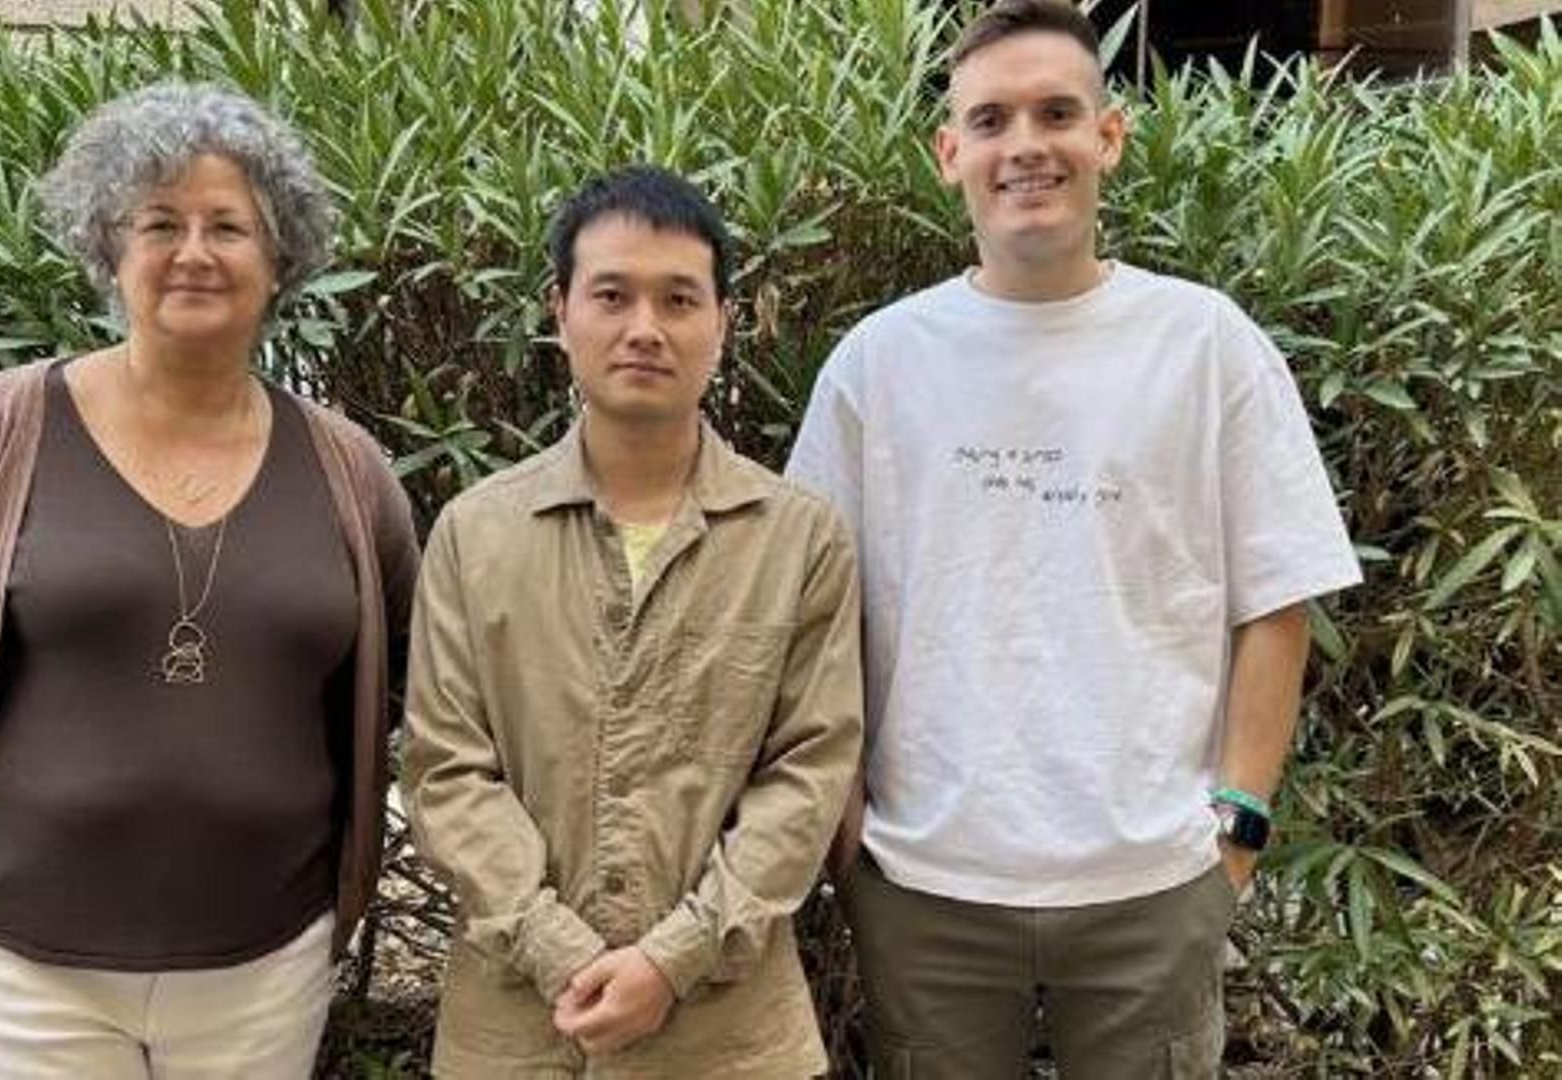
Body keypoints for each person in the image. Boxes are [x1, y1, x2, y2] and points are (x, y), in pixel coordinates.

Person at [785, 3, 1363, 1077]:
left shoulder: (1206, 345)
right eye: (991, 120)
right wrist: (844, 813)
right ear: (949, 152)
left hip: (1154, 881)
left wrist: (1238, 825)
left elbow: (1276, 599)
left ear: (1109, 135)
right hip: (925, 884)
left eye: (1057, 113)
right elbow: (811, 608)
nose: (1026, 146)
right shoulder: (878, 362)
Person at [0, 81, 417, 1078]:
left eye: (229, 226)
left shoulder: (348, 470)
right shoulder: (4, 425)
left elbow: (396, 670)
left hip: (265, 960)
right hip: (18, 964)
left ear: (280, 260)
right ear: (109, 248)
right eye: (160, 223)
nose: (194, 252)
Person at [400, 166, 863, 1078]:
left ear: (724, 322)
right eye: (611, 295)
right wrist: (554, 946)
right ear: (560, 310)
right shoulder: (476, 533)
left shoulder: (797, 540)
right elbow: (446, 771)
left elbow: (810, 773)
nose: (644, 328)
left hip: (730, 1039)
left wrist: (672, 959)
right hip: (516, 1031)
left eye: (679, 299)